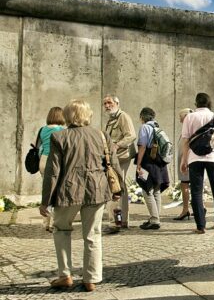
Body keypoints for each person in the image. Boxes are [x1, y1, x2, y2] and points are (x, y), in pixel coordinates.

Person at [41, 100, 124, 292]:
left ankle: (65, 275)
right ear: (88, 114)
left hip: (68, 191)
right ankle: (91, 278)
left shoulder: (59, 137)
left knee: (61, 230)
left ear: (68, 116)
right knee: (93, 234)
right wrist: (118, 190)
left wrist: (45, 200)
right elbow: (114, 163)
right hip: (97, 190)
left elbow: (52, 172)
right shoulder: (102, 135)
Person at [180, 93, 214, 234]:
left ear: (196, 103)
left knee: (196, 191)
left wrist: (184, 160)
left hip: (194, 158)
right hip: (213, 157)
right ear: (209, 103)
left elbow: (185, 141)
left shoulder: (189, 117)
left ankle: (200, 225)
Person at [102, 95, 136, 234]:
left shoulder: (123, 116)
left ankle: (114, 223)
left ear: (117, 103)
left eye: (109, 102)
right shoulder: (111, 119)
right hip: (114, 157)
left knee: (114, 187)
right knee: (121, 188)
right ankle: (122, 221)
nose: (107, 105)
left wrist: (116, 145)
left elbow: (131, 135)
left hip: (121, 156)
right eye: (104, 103)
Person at [134, 107, 170, 230]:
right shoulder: (157, 127)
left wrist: (138, 163)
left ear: (142, 117)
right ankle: (156, 217)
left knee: (147, 190)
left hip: (148, 162)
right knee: (156, 190)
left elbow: (142, 146)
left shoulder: (145, 127)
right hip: (159, 162)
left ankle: (154, 220)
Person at [37, 107, 66, 232]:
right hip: (55, 160)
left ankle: (46, 222)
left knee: (46, 188)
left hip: (43, 160)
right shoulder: (62, 130)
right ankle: (55, 222)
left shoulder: (42, 129)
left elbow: (37, 145)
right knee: (57, 191)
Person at [174, 108, 193, 220]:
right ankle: (199, 207)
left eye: (181, 118)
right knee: (191, 185)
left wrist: (185, 161)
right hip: (186, 161)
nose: (180, 120)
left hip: (187, 163)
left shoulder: (189, 130)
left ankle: (186, 210)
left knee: (185, 184)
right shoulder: (189, 129)